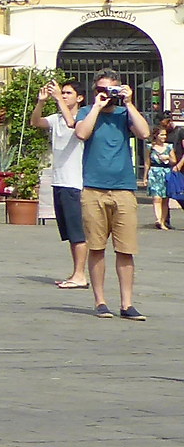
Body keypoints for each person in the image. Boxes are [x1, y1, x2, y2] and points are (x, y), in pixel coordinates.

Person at [74, 73, 150, 319]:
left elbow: (144, 133)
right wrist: (97, 105)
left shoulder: (124, 113)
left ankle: (127, 303)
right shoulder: (87, 111)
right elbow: (81, 134)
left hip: (123, 189)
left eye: (112, 90)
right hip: (93, 189)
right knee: (96, 247)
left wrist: (128, 103)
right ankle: (100, 301)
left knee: (126, 248)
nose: (107, 94)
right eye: (101, 89)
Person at [37, 80, 89, 289]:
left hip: (74, 181)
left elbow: (73, 126)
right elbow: (36, 122)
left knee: (78, 231)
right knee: (69, 232)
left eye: (68, 93)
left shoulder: (83, 118)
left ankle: (81, 274)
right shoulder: (57, 118)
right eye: (63, 92)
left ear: (79, 97)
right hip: (59, 180)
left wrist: (57, 97)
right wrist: (41, 102)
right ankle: (76, 272)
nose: (64, 95)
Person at [148, 115, 177, 233]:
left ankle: (163, 221)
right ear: (156, 135)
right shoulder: (150, 147)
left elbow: (174, 161)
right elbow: (146, 162)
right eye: (162, 135)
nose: (164, 137)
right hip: (155, 172)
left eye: (165, 135)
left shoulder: (169, 147)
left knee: (165, 199)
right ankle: (158, 219)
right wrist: (145, 176)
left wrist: (168, 158)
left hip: (166, 172)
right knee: (156, 198)